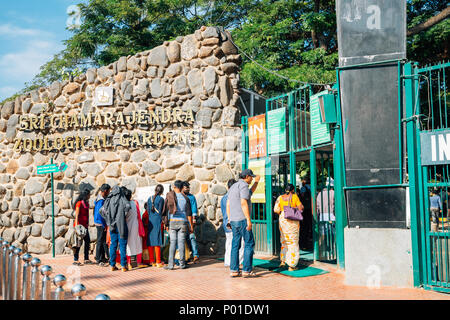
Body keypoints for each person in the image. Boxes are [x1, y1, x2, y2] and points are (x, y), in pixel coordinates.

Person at [226, 169, 260, 278]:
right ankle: (246, 270)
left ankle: (234, 270)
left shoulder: (233, 187)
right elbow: (243, 202)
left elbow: (229, 204)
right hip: (242, 220)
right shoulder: (244, 186)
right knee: (249, 243)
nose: (252, 179)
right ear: (246, 176)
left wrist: (256, 182)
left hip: (234, 220)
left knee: (235, 245)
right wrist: (248, 220)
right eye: (251, 177)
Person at [163, 180, 193, 270]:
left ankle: (171, 265)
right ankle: (182, 264)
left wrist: (166, 224)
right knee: (181, 243)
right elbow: (189, 214)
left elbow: (166, 211)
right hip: (183, 222)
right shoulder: (186, 198)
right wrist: (191, 226)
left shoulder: (170, 197)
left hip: (172, 222)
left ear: (175, 187)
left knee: (172, 243)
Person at [274, 184, 304, 271]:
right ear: (293, 190)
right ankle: (292, 265)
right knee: (293, 242)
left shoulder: (280, 197)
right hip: (292, 221)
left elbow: (276, 210)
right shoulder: (294, 197)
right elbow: (300, 207)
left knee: (284, 240)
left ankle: (283, 261)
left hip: (283, 219)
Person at [100, 185, 130, 272]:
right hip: (121, 225)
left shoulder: (109, 199)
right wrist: (123, 215)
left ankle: (112, 265)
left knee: (113, 245)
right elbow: (128, 206)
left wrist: (108, 220)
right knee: (122, 245)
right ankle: (123, 266)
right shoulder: (122, 198)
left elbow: (101, 211)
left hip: (112, 226)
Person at [221, 179, 244, 267]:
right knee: (240, 243)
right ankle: (239, 262)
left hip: (226, 223)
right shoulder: (234, 196)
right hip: (234, 222)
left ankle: (228, 262)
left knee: (229, 243)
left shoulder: (223, 197)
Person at [123, 187, 146, 270]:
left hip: (127, 226)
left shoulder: (124, 204)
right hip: (136, 226)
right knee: (137, 243)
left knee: (128, 244)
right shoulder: (135, 203)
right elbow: (138, 215)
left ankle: (129, 263)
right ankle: (138, 262)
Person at [73, 189, 93, 266]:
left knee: (87, 241)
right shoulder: (79, 203)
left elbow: (87, 214)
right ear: (86, 195)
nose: (90, 196)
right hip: (79, 226)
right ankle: (76, 259)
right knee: (78, 243)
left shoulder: (86, 203)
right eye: (89, 194)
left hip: (85, 226)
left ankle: (86, 258)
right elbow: (77, 215)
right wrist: (77, 226)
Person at [147, 184, 165, 267]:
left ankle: (151, 261)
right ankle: (158, 261)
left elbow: (148, 211)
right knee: (157, 240)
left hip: (150, 220)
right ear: (161, 191)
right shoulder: (161, 199)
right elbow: (162, 211)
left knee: (150, 240)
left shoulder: (149, 198)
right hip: (157, 220)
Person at [182, 181, 199, 264]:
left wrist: (194, 218)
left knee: (192, 237)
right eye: (186, 187)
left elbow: (194, 208)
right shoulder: (180, 197)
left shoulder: (191, 197)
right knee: (184, 239)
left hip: (190, 220)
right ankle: (187, 255)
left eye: (188, 187)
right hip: (182, 221)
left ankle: (196, 255)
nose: (188, 189)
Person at [94, 184, 111, 266]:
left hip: (100, 222)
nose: (109, 193)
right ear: (105, 191)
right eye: (108, 191)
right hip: (100, 223)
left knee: (104, 241)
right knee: (100, 241)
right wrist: (104, 225)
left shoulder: (100, 199)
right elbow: (100, 214)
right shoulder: (101, 201)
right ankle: (98, 258)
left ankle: (104, 257)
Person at [298, 176, 312, 250]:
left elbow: (302, 196)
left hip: (304, 209)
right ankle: (309, 241)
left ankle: (303, 244)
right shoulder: (311, 187)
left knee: (303, 226)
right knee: (309, 225)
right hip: (310, 208)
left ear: (304, 181)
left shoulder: (303, 188)